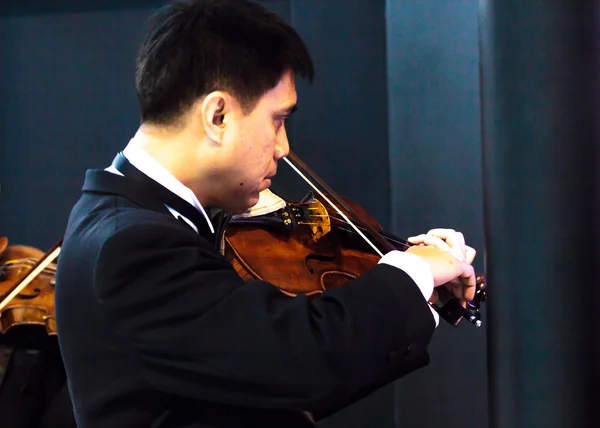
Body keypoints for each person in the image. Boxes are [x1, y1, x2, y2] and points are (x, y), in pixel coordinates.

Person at [54, 0, 478, 427]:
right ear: (217, 116)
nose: (284, 147)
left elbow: (270, 385)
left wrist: (421, 295)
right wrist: (411, 271)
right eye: (277, 121)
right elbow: (299, 360)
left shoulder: (133, 218)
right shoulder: (132, 246)